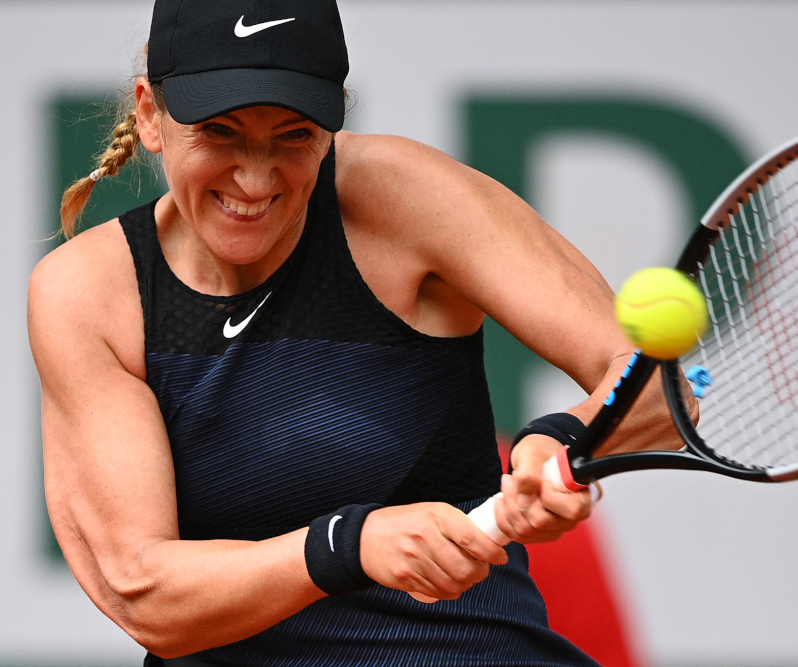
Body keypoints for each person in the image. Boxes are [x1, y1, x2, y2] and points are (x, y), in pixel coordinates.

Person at [28, 1, 687, 665]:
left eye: (293, 134)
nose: (255, 177)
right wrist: (348, 546)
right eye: (221, 131)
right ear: (149, 114)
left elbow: (659, 383)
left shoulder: (405, 197)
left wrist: (561, 439)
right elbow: (147, 593)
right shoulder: (88, 293)